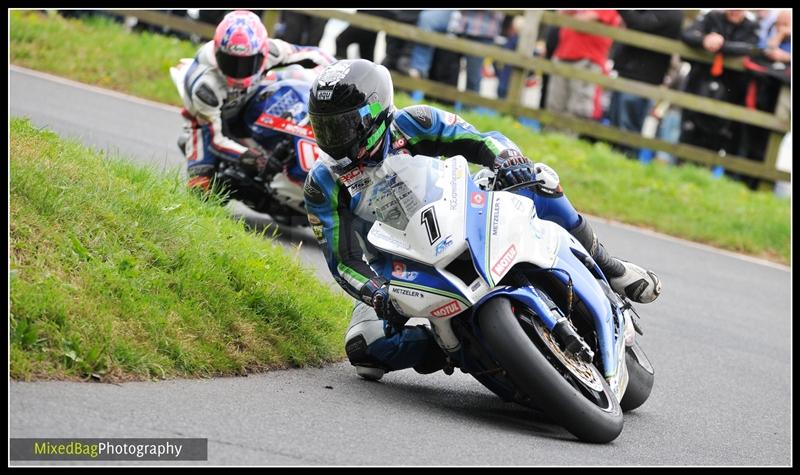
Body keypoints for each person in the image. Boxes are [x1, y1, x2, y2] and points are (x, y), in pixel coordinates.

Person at [303, 59, 662, 379]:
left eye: (344, 127)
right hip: (400, 264)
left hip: (461, 209)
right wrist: (375, 292)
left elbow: (480, 140)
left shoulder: (415, 122)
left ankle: (609, 266)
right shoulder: (323, 183)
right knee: (365, 350)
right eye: (326, 129)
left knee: (540, 179)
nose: (334, 140)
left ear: (376, 114)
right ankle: (453, 347)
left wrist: (507, 160)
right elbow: (343, 260)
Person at [179, 10, 334, 191]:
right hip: (207, 121)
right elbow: (216, 139)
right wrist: (249, 156)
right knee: (201, 186)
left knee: (292, 85)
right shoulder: (205, 85)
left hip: (251, 96)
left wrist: (339, 74)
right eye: (230, 61)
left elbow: (313, 54)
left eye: (247, 63)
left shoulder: (272, 50)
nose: (238, 71)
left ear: (262, 52)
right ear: (217, 52)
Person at [679, 10, 759, 184]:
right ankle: (680, 178)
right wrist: (704, 40)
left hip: (728, 98)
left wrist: (720, 45)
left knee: (716, 142)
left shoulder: (751, 27)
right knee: (689, 138)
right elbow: (687, 34)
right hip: (697, 90)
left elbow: (751, 48)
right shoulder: (712, 17)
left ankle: (704, 183)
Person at [608, 10, 683, 158]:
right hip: (629, 72)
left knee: (628, 130)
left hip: (643, 78)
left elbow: (640, 24)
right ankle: (613, 162)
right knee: (616, 124)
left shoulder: (671, 13)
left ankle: (625, 163)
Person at [546, 10, 621, 122]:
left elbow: (583, 21)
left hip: (587, 60)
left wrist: (572, 16)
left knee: (578, 107)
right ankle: (551, 137)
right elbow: (559, 14)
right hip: (563, 54)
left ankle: (569, 138)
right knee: (554, 103)